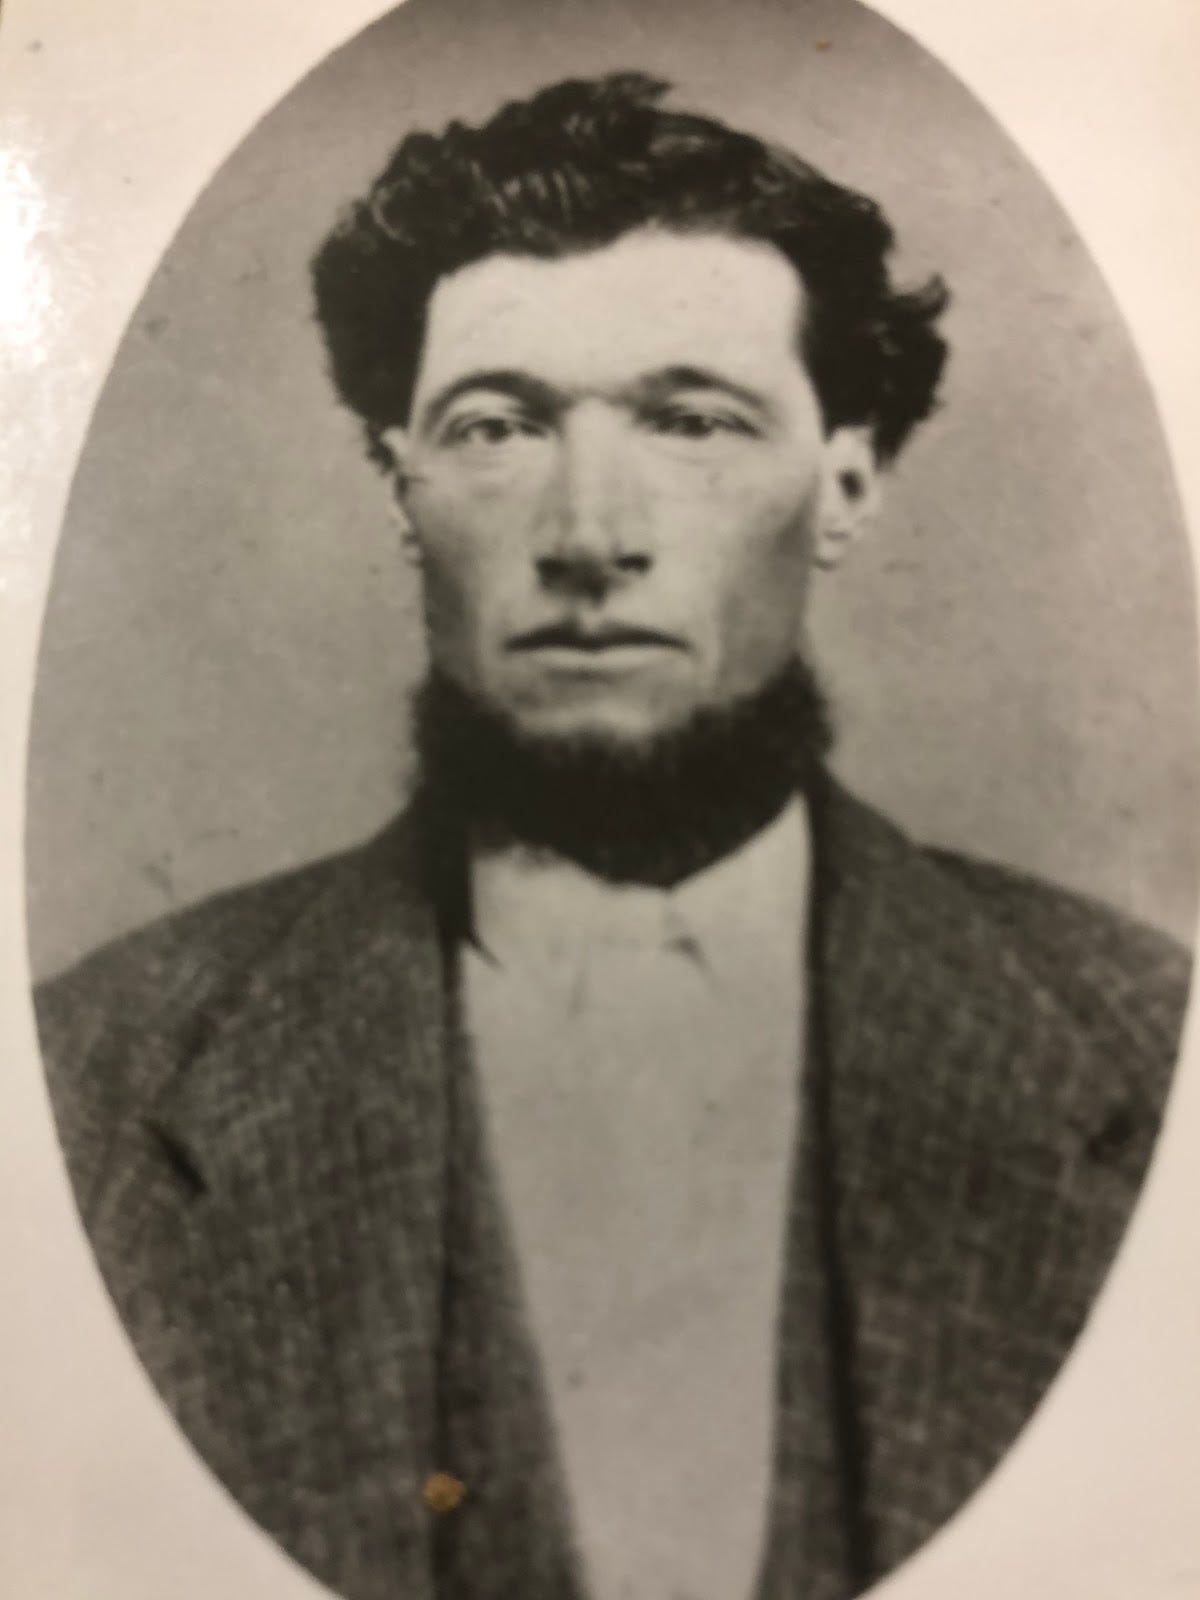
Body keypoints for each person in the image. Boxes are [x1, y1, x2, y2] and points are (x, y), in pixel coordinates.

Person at [35, 72, 1189, 1600]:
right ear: (400, 486)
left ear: (844, 482)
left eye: (693, 420)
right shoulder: (94, 1083)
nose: (590, 535)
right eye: (499, 426)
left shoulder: (1144, 1046)